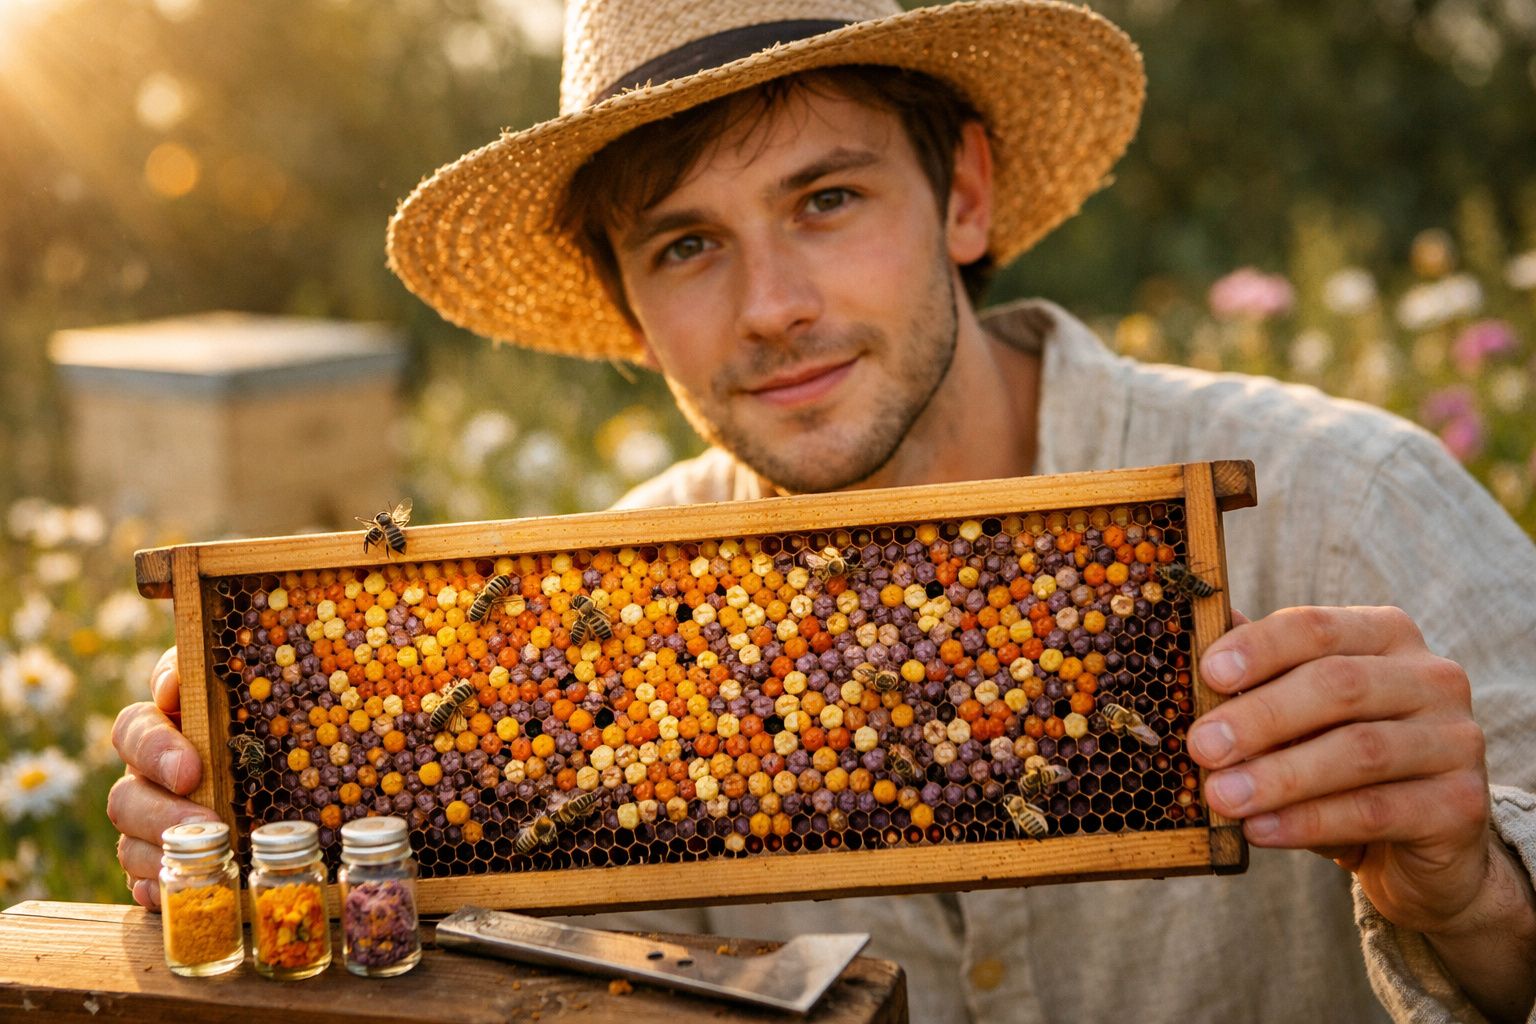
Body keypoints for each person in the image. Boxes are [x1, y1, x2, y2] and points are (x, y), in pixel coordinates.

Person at [109, 1, 1536, 1020]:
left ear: (962, 194)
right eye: (687, 245)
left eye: (828, 198)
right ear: (629, 311)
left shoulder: (1345, 506)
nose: (773, 307)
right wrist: (269, 866)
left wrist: (1476, 899)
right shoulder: (571, 648)